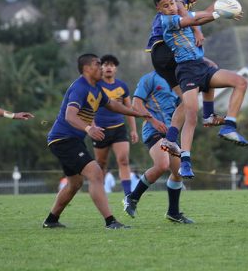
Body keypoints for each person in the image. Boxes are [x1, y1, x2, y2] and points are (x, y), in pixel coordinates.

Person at [42, 53, 152, 229]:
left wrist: (138, 114)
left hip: (71, 140)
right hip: (63, 139)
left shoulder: (96, 89)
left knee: (75, 183)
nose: (101, 67)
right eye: (97, 64)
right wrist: (88, 128)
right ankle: (110, 221)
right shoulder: (80, 88)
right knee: (96, 173)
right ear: (87, 68)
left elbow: (113, 105)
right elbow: (70, 116)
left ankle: (51, 220)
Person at [156, 0, 248, 179]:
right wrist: (220, 14)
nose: (171, 8)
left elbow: (204, 14)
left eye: (172, 3)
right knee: (191, 115)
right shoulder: (169, 21)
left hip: (201, 66)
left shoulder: (182, 12)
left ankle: (229, 126)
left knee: (240, 82)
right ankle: (186, 162)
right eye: (166, 6)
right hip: (187, 71)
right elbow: (194, 20)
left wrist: (226, 0)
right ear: (160, 10)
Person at [123, 71, 193, 223]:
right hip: (152, 131)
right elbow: (136, 104)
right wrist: (153, 121)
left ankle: (173, 213)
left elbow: (184, 107)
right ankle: (132, 198)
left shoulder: (179, 81)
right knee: (162, 164)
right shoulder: (149, 79)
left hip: (170, 134)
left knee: (177, 172)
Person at [93, 54, 138, 197]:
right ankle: (100, 192)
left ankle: (128, 195)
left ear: (116, 69)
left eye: (112, 65)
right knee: (101, 163)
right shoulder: (95, 85)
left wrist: (134, 130)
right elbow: (88, 107)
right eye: (105, 64)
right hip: (100, 130)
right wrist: (92, 126)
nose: (108, 68)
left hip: (119, 128)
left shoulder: (122, 86)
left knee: (124, 160)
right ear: (101, 67)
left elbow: (129, 110)